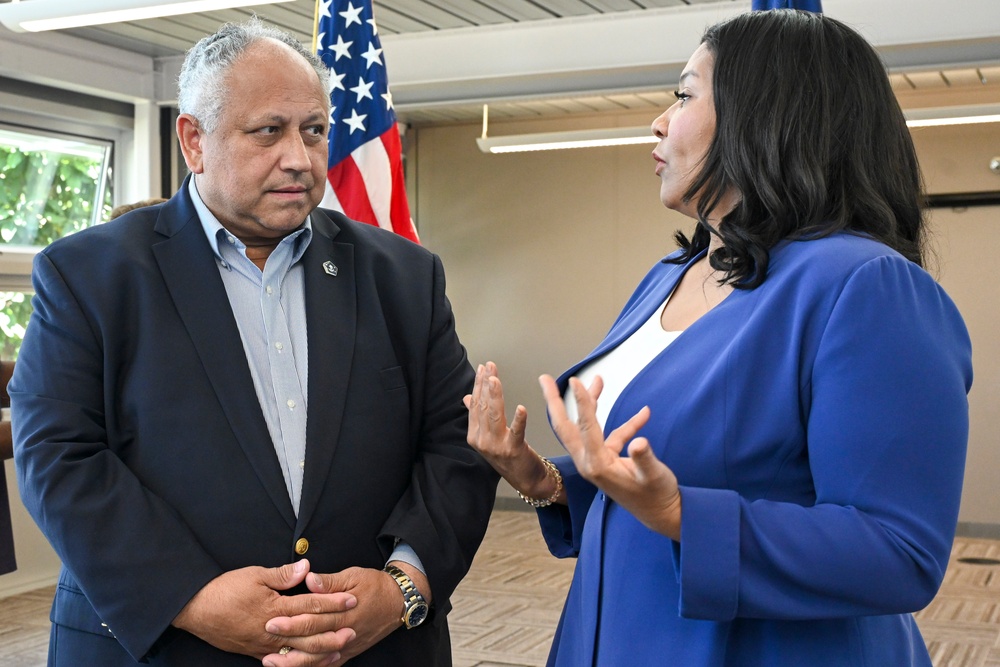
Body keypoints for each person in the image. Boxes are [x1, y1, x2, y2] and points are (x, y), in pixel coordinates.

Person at [465, 9, 971, 667]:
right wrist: (553, 483)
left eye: (682, 95)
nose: (657, 120)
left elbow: (898, 551)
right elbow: (679, 461)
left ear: (765, 115)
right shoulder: (672, 273)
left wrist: (683, 513)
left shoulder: (866, 284)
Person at [11, 18, 497, 667]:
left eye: (314, 130)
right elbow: (58, 455)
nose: (299, 156)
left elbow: (456, 446)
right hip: (157, 645)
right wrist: (189, 596)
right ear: (194, 140)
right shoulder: (89, 274)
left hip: (371, 646)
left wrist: (406, 582)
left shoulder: (404, 275)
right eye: (269, 130)